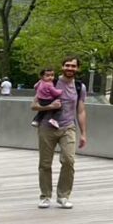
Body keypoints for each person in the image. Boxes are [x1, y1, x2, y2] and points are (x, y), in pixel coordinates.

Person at [32, 56, 87, 210]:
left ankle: (63, 196)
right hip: (47, 127)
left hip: (68, 127)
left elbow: (81, 110)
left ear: (77, 69)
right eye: (67, 65)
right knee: (45, 163)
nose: (70, 68)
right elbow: (34, 105)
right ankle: (45, 196)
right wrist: (49, 106)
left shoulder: (79, 87)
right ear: (62, 67)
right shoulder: (50, 82)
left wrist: (83, 133)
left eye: (73, 66)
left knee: (69, 161)